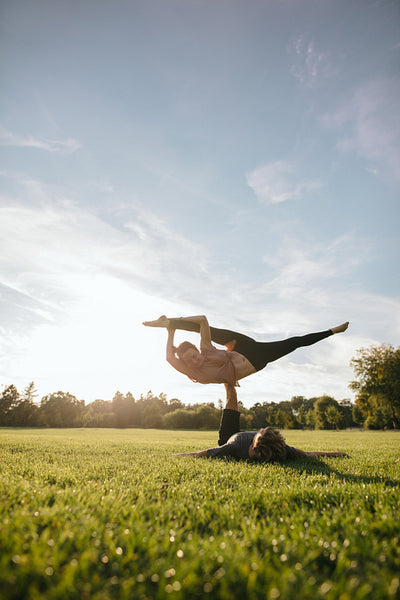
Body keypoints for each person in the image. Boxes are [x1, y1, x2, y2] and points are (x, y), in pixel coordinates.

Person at [143, 314, 349, 386]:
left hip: (245, 347)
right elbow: (170, 358)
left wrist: (173, 324)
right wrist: (170, 332)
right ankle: (168, 323)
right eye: (191, 360)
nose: (196, 360)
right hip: (257, 361)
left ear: (197, 351)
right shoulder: (192, 372)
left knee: (209, 330)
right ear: (186, 365)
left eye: (194, 355)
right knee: (293, 343)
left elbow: (203, 320)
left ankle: (332, 331)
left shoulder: (205, 351)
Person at [173, 383, 349, 461]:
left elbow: (199, 454)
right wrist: (337, 453)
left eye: (260, 432)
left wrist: (173, 456)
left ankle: (227, 379)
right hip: (240, 437)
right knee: (233, 393)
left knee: (231, 397)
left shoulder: (233, 447)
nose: (260, 429)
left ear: (254, 447)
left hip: (229, 435)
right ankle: (229, 377)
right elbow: (309, 454)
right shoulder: (282, 449)